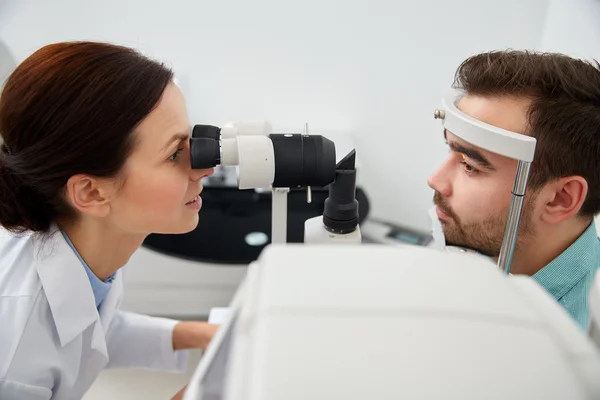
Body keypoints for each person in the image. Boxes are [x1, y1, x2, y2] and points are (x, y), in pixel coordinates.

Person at [0, 41, 218, 399]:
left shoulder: (87, 246)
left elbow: (89, 331)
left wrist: (197, 334)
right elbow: (51, 339)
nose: (205, 168)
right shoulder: (14, 350)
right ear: (91, 193)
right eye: (175, 152)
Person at [428, 50, 600, 330]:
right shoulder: (482, 241)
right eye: (450, 149)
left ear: (560, 199)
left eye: (470, 166)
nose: (435, 180)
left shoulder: (576, 348)